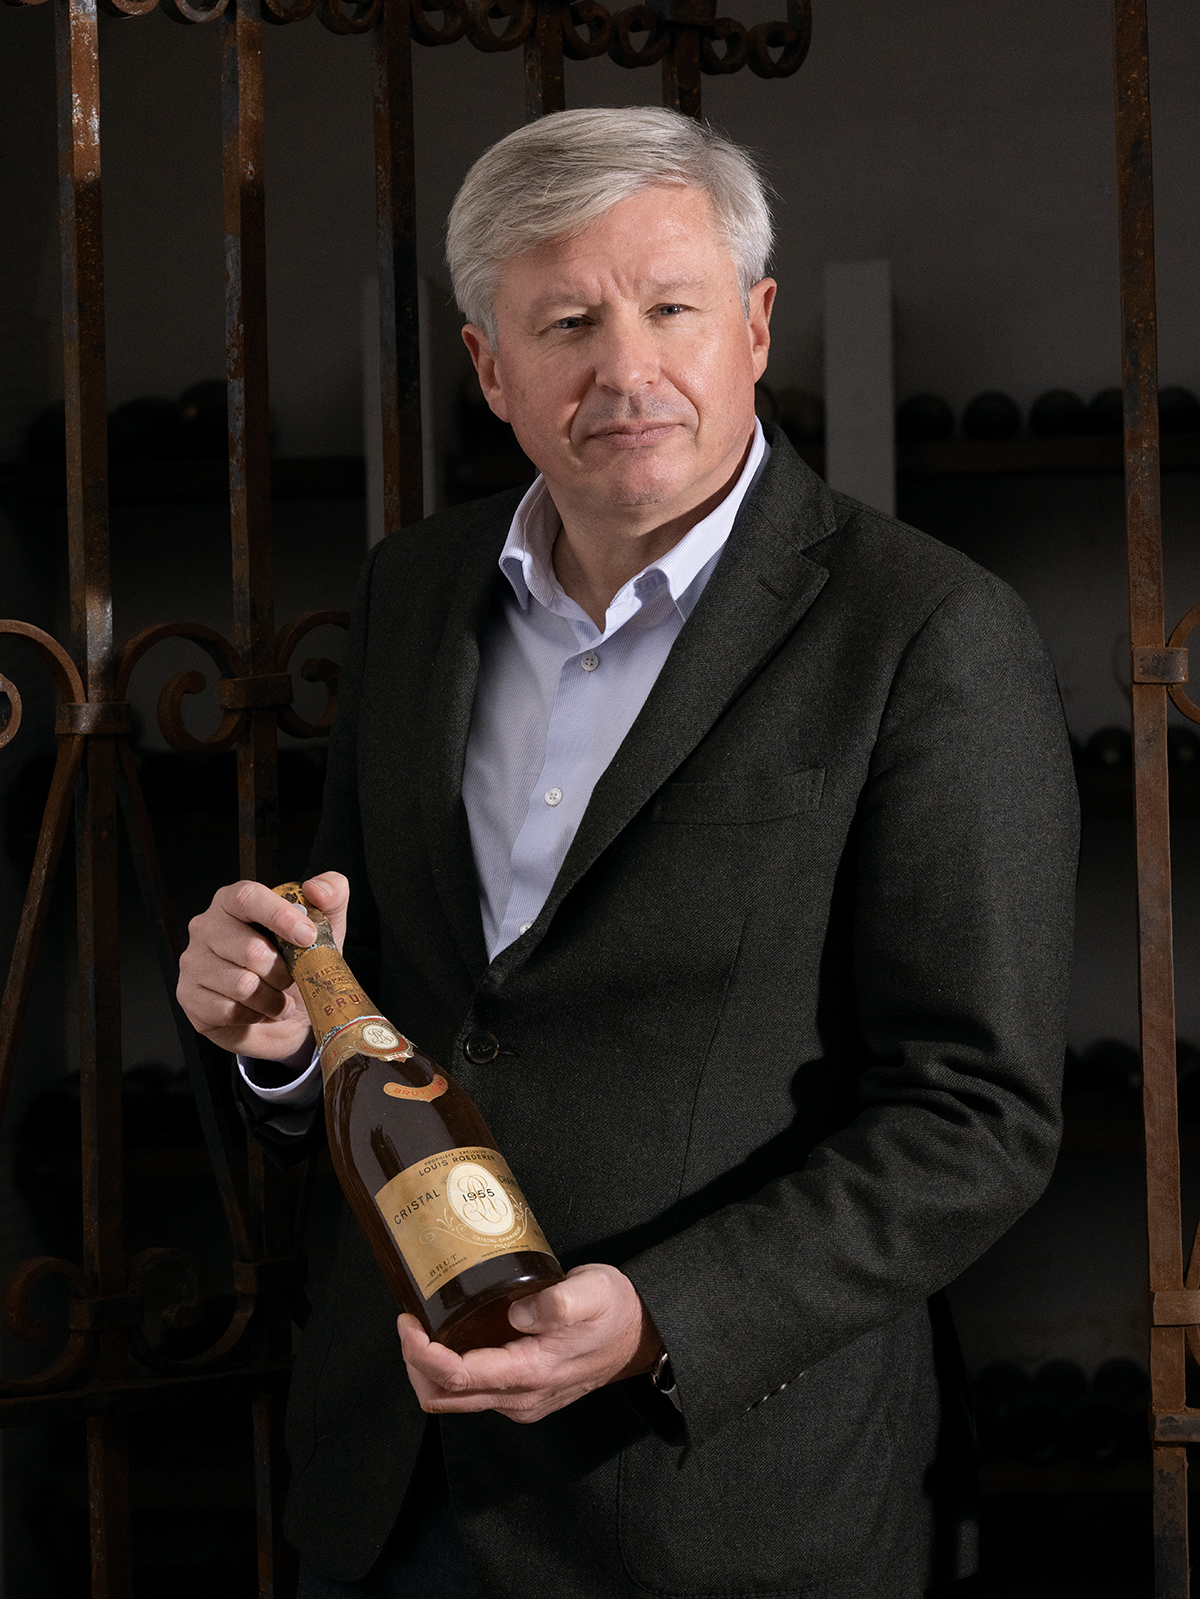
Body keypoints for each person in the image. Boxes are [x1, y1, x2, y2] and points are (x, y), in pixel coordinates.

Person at [177, 107, 1078, 1599]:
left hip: (710, 1494)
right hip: (394, 1477)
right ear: (491, 369)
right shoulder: (417, 592)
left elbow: (977, 1117)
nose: (626, 368)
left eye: (672, 307)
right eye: (567, 322)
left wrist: (660, 1315)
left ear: (756, 325)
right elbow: (388, 999)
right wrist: (279, 1033)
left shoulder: (925, 633)